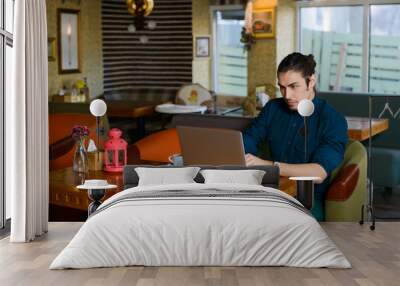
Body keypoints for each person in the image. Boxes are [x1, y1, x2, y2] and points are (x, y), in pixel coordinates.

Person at [243, 52, 348, 221]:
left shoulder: (332, 119)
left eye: (294, 86)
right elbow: (248, 139)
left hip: (307, 201)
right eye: (282, 87)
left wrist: (268, 165)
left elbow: (318, 172)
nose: (287, 95)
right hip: (271, 192)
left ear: (311, 81)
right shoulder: (272, 108)